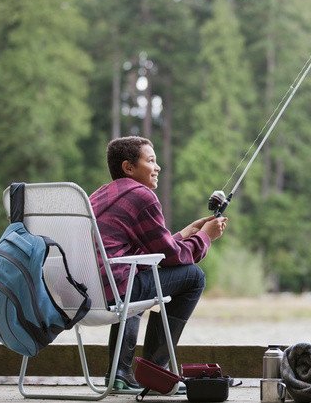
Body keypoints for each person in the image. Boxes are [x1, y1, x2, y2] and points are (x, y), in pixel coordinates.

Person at [89, 136, 227, 390]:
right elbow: (173, 258)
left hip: (86, 293)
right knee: (194, 277)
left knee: (137, 277)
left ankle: (120, 372)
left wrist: (187, 233)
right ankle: (153, 374)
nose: (158, 166)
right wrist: (206, 236)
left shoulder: (102, 194)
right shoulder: (142, 196)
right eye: (150, 160)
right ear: (128, 168)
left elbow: (149, 254)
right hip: (114, 290)